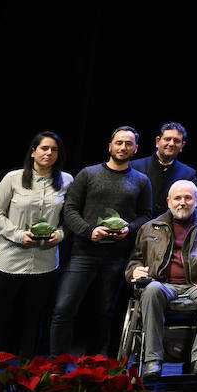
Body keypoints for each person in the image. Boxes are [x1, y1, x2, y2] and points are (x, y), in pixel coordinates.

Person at [51, 125, 152, 355]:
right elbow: (70, 209)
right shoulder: (88, 173)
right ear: (110, 146)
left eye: (128, 143)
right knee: (63, 309)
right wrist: (89, 231)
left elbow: (146, 215)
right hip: (83, 252)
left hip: (116, 257)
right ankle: (55, 365)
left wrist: (129, 228)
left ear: (135, 148)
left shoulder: (141, 180)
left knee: (103, 313)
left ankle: (94, 366)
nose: (123, 147)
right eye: (119, 142)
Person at [0, 131, 73, 359]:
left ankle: (27, 376)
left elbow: (71, 217)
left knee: (34, 319)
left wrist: (60, 235)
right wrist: (18, 235)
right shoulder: (13, 178)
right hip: (7, 259)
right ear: (33, 152)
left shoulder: (68, 181)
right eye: (44, 148)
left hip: (44, 262)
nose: (49, 153)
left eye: (54, 149)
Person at [126, 180, 197, 379]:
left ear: (196, 201)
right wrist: (135, 271)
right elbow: (135, 260)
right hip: (162, 285)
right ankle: (152, 360)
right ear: (168, 201)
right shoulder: (149, 228)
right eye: (178, 198)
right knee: (151, 289)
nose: (182, 202)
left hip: (196, 286)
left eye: (188, 198)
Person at [131, 123, 197, 219]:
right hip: (138, 228)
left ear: (182, 145)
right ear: (157, 141)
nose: (171, 144)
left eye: (176, 141)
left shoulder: (188, 174)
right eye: (167, 139)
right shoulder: (135, 167)